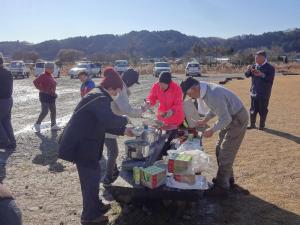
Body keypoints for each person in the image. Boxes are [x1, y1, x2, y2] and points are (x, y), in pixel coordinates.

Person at [58, 67, 134, 224]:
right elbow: (107, 119)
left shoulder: (99, 94)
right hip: (82, 145)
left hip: (87, 143)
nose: (117, 94)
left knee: (94, 176)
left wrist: (123, 127)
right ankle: (89, 217)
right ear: (111, 87)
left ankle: (96, 206)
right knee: (90, 181)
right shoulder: (99, 97)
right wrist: (125, 125)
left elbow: (104, 122)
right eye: (117, 91)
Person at [181, 77, 249, 196]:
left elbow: (226, 118)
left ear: (195, 88)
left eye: (189, 94)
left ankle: (222, 188)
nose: (190, 97)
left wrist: (212, 130)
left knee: (226, 152)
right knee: (219, 149)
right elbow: (215, 109)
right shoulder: (204, 90)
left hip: (237, 118)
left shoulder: (212, 94)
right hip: (230, 116)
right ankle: (227, 179)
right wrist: (205, 120)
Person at [103, 68, 144, 185]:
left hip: (109, 122)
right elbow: (127, 109)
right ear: (130, 80)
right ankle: (107, 178)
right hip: (109, 124)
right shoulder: (121, 87)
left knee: (111, 151)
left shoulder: (119, 85)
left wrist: (127, 119)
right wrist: (141, 111)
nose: (133, 85)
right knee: (114, 152)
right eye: (134, 83)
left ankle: (113, 170)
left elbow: (121, 108)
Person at [146, 71, 184, 156]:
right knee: (160, 138)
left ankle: (170, 155)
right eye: (160, 84)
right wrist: (149, 102)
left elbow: (178, 104)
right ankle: (159, 155)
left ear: (169, 83)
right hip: (162, 115)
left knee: (171, 139)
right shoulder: (156, 85)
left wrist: (172, 111)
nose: (161, 87)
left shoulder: (176, 88)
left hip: (175, 116)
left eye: (163, 85)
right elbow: (152, 96)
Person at [245, 50, 275, 130]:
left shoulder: (270, 68)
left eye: (257, 57)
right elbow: (247, 75)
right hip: (254, 91)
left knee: (263, 109)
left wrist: (261, 74)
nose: (256, 59)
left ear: (263, 58)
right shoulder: (254, 66)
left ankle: (262, 125)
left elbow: (270, 79)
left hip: (264, 93)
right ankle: (252, 124)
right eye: (255, 57)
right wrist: (248, 70)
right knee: (253, 109)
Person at [33, 63, 60, 132]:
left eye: (53, 68)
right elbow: (35, 82)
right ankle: (37, 124)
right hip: (44, 96)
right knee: (45, 111)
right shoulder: (43, 75)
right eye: (51, 68)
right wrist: (41, 89)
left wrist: (54, 93)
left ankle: (53, 125)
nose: (52, 70)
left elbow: (52, 86)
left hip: (51, 96)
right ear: (46, 69)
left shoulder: (51, 75)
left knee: (53, 111)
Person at [0, 53, 16, 150]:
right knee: (6, 121)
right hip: (9, 100)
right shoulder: (8, 72)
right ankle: (12, 142)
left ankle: (4, 141)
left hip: (1, 101)